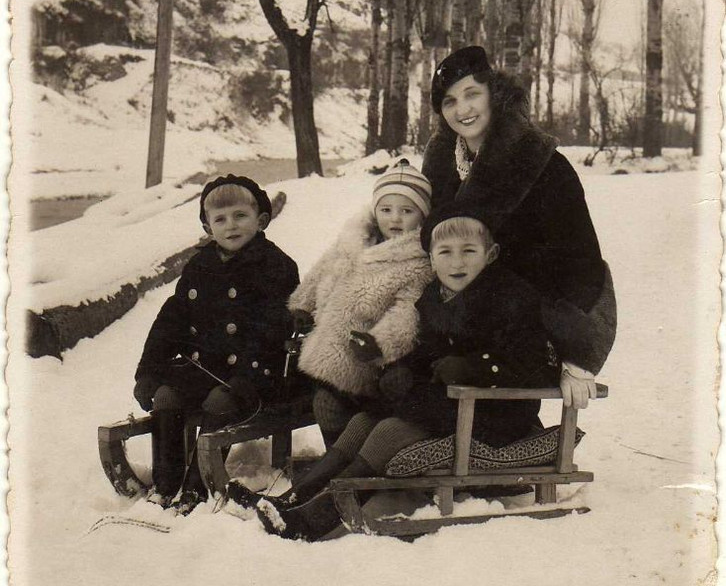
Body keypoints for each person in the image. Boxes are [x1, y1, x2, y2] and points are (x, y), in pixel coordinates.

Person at [236, 203, 559, 542]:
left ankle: (317, 517)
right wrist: (403, 369)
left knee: (389, 429)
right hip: (448, 403)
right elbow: (427, 352)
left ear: (490, 255)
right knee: (363, 421)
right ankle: (293, 497)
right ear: (431, 259)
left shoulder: (510, 298)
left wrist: (474, 367)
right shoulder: (435, 297)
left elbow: (536, 365)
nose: (457, 262)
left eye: (469, 251)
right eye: (445, 252)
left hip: (495, 410)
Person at [421, 44, 616, 407]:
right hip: (452, 326)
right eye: (449, 101)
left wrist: (577, 354)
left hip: (523, 331)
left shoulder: (544, 166)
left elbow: (583, 262)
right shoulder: (440, 166)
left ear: (493, 95)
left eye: (471, 94)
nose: (462, 110)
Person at [133, 173, 300, 514]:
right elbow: (172, 321)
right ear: (208, 228)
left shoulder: (275, 266)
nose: (231, 226)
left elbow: (273, 329)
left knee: (218, 401)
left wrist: (245, 378)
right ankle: (166, 482)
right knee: (166, 395)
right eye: (220, 219)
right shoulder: (200, 265)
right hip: (204, 366)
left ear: (261, 219)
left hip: (256, 373)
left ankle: (197, 487)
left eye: (241, 216)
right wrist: (149, 371)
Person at [279, 158, 434, 448]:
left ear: (422, 217)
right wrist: (301, 304)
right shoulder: (353, 240)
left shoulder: (418, 261)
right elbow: (321, 271)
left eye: (407, 211)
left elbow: (408, 312)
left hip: (366, 359)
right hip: (323, 346)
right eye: (386, 210)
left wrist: (381, 343)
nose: (395, 219)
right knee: (321, 402)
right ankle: (336, 465)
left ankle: (344, 469)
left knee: (334, 407)